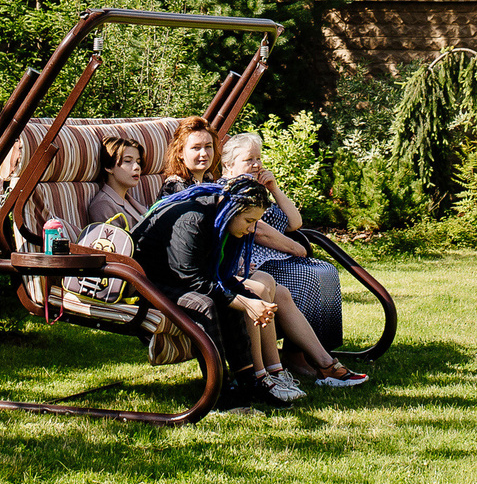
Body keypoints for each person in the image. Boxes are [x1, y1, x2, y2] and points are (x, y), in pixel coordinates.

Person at [219, 131, 369, 390]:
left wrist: (274, 188)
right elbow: (258, 230)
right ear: (228, 165)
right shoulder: (234, 190)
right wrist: (296, 248)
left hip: (277, 257)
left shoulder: (258, 189)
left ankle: (314, 354)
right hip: (254, 261)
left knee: (326, 272)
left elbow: (294, 222)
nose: (256, 165)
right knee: (310, 276)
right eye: (248, 160)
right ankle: (301, 357)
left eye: (258, 158)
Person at [131, 176, 299, 405]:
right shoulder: (194, 218)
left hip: (176, 279)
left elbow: (220, 277)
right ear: (231, 210)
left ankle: (248, 381)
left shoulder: (220, 218)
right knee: (206, 303)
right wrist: (245, 303)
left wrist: (249, 298)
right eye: (249, 220)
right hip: (144, 282)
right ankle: (219, 389)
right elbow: (190, 280)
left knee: (234, 298)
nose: (251, 230)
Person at [82, 136, 149, 232]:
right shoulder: (103, 205)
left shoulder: (130, 200)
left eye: (138, 162)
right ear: (109, 167)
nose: (137, 167)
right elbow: (115, 243)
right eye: (128, 161)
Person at [160, 116, 219, 191]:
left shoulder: (208, 181)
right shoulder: (174, 188)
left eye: (208, 146)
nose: (204, 153)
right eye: (196, 148)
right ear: (180, 152)